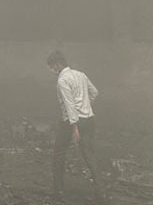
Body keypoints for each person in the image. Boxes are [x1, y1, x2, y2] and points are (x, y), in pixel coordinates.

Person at [48, 50, 107, 205]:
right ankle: (101, 194)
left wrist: (74, 127)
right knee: (90, 156)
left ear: (58, 64)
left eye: (52, 66)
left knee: (58, 155)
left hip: (72, 123)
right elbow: (95, 92)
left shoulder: (62, 80)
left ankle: (58, 193)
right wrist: (86, 106)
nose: (51, 70)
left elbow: (69, 106)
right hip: (89, 119)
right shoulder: (80, 74)